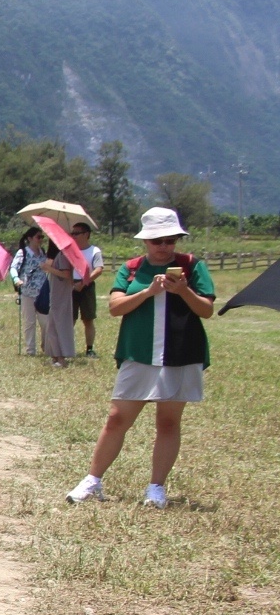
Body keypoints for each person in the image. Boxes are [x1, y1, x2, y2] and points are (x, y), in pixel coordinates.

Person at [67, 208, 216, 509]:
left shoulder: (192, 266)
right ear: (145, 241)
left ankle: (156, 488)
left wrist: (184, 291)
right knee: (117, 418)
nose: (164, 246)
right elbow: (115, 307)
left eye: (170, 239)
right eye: (157, 240)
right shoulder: (132, 268)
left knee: (169, 422)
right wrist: (148, 292)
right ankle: (93, 480)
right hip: (138, 352)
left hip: (181, 353)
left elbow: (206, 310)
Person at [10, 228, 49, 356]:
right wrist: (16, 279)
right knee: (29, 322)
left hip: (42, 293)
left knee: (46, 322)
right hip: (27, 292)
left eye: (42, 237)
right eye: (38, 237)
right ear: (30, 238)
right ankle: (30, 350)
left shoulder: (43, 252)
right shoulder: (23, 253)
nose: (41, 240)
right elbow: (14, 268)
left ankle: (46, 346)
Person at [41, 235, 80, 367]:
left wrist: (49, 269)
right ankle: (55, 356)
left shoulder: (63, 256)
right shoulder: (58, 256)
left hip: (61, 296)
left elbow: (66, 274)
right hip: (56, 294)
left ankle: (62, 357)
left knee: (59, 325)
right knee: (52, 327)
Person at [71, 221, 105, 357]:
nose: (73, 236)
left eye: (76, 233)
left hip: (87, 286)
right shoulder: (70, 250)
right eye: (72, 233)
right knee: (70, 319)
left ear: (86, 234)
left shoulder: (94, 251)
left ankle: (89, 349)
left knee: (88, 319)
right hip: (71, 286)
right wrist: (72, 285)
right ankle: (68, 347)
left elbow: (98, 269)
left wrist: (84, 283)